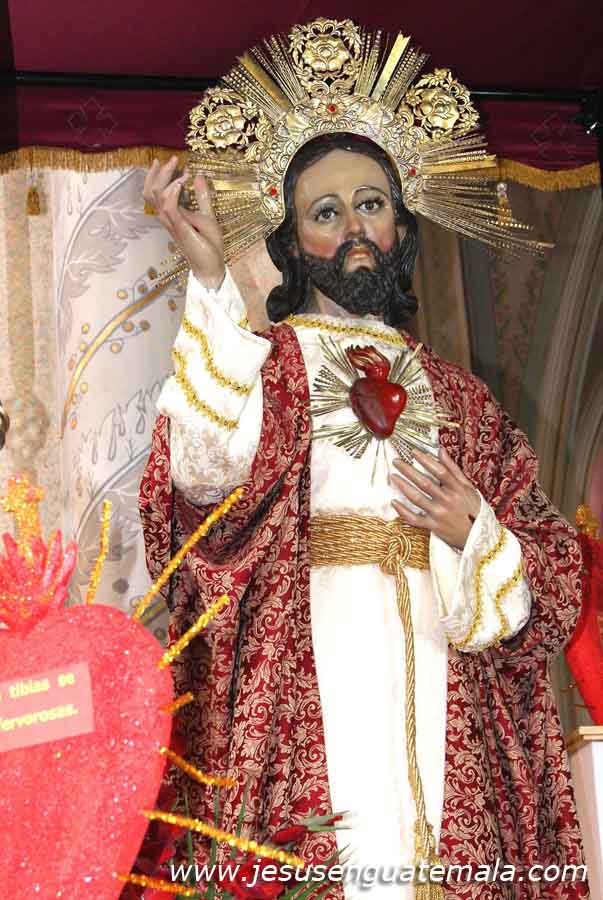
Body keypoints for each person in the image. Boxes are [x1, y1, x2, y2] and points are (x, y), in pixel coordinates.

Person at [139, 19, 589, 900]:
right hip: (306, 669)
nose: (354, 227)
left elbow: (555, 574)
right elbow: (201, 485)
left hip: (452, 687)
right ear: (290, 238)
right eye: (325, 211)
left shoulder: (461, 400)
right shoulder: (266, 367)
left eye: (372, 204)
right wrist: (214, 285)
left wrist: (476, 532)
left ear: (402, 222)